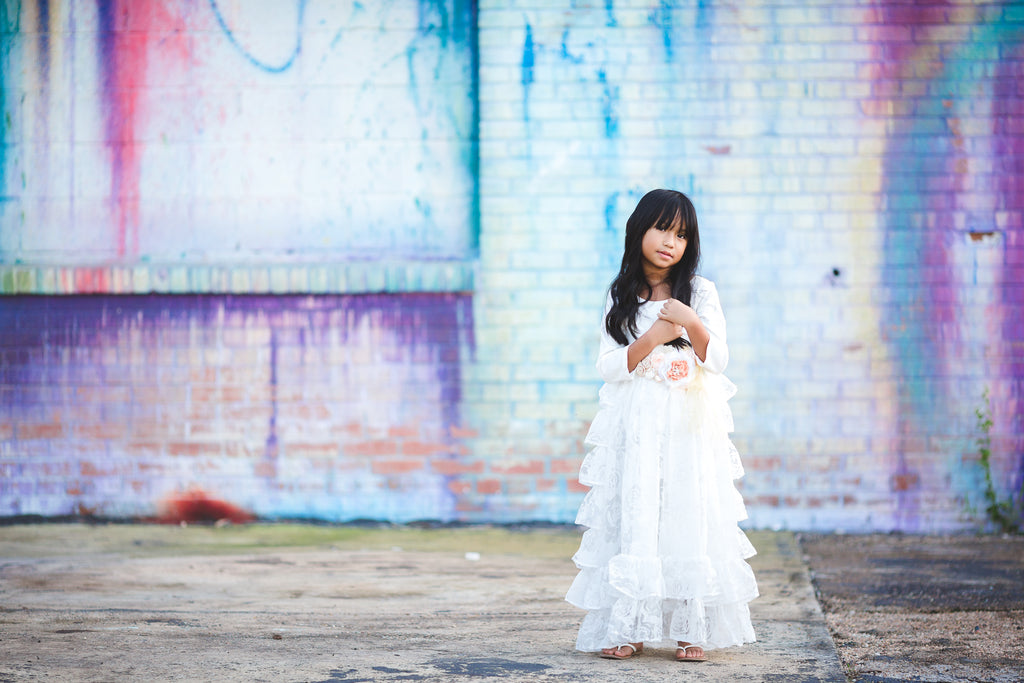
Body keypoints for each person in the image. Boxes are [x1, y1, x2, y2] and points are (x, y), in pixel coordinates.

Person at [565, 189, 758, 663]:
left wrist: (690, 320)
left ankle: (693, 628)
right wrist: (653, 336)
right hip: (640, 426)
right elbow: (609, 366)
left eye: (682, 235)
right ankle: (630, 626)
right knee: (638, 512)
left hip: (688, 425)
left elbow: (719, 359)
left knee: (686, 509)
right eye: (662, 229)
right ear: (639, 230)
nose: (671, 242)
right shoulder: (620, 295)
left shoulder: (701, 292)